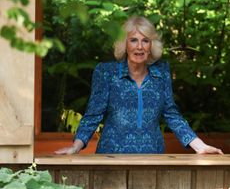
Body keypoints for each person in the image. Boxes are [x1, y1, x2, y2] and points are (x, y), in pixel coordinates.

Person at [55, 16, 223, 155]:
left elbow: (172, 115)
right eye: (133, 40)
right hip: (111, 157)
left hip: (152, 157)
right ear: (125, 44)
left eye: (145, 41)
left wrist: (199, 146)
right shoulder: (106, 73)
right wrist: (75, 147)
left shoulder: (161, 74)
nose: (140, 47)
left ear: (151, 46)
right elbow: (93, 115)